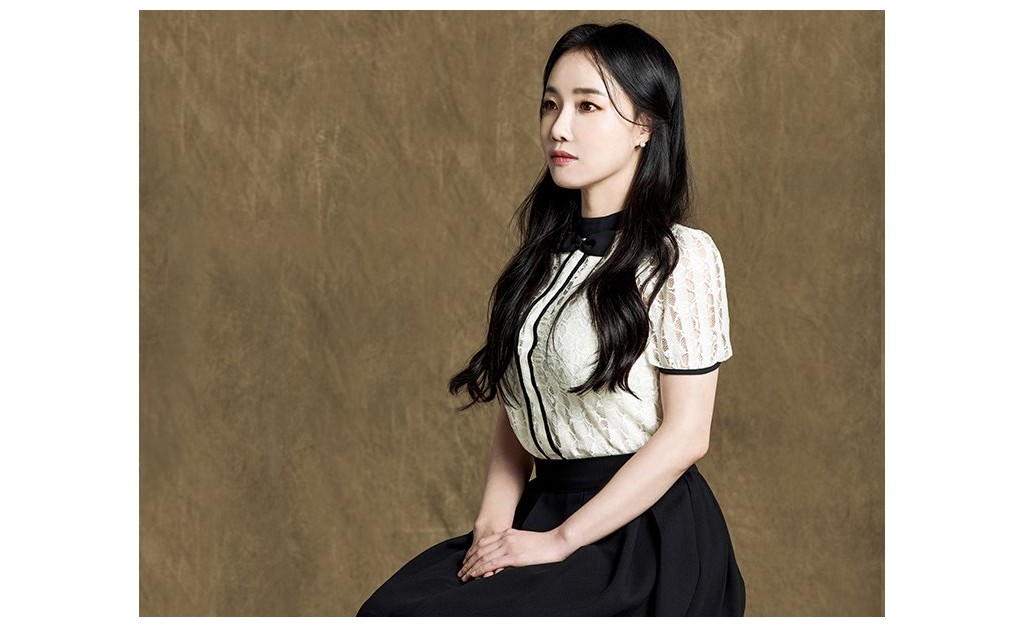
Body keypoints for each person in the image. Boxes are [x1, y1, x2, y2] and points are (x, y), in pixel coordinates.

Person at [356, 21, 745, 617]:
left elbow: (688, 436)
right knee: (394, 609)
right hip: (545, 510)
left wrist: (561, 541)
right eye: (550, 104)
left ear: (644, 125)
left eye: (588, 106)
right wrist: (493, 526)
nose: (559, 127)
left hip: (644, 534)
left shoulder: (680, 257)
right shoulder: (541, 259)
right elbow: (518, 406)